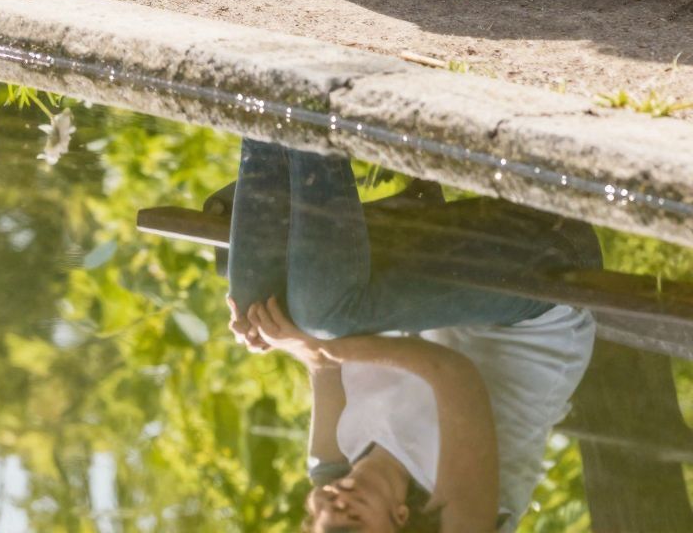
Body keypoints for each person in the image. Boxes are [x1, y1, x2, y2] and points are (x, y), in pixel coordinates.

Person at [224, 138, 597, 532]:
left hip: (457, 275)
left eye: (325, 514)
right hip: (543, 278)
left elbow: (321, 363)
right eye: (354, 519)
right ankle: (311, 120)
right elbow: (451, 373)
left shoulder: (332, 465)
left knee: (257, 303)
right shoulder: (456, 525)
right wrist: (323, 343)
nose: (339, 502)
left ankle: (268, 114)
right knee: (326, 319)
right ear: (399, 520)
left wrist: (279, 336)